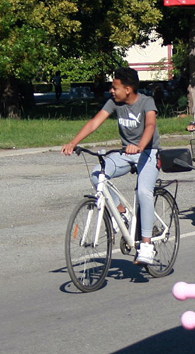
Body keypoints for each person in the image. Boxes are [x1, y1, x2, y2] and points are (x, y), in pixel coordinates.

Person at [62, 66, 161, 265]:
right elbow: (94, 122)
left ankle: (147, 245)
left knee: (143, 192)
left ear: (128, 89)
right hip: (126, 154)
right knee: (97, 174)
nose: (111, 91)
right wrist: (74, 142)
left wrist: (140, 146)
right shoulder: (114, 103)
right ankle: (123, 214)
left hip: (148, 153)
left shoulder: (146, 102)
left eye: (115, 87)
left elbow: (150, 125)